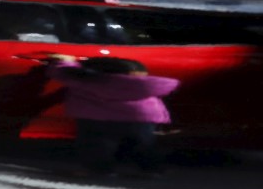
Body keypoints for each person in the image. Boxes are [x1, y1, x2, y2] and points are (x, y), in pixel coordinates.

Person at [45, 54, 179, 177]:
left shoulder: (87, 80)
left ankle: (98, 170)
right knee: (142, 145)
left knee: (97, 147)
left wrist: (67, 62)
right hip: (140, 119)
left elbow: (61, 72)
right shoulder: (146, 85)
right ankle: (153, 169)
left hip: (95, 118)